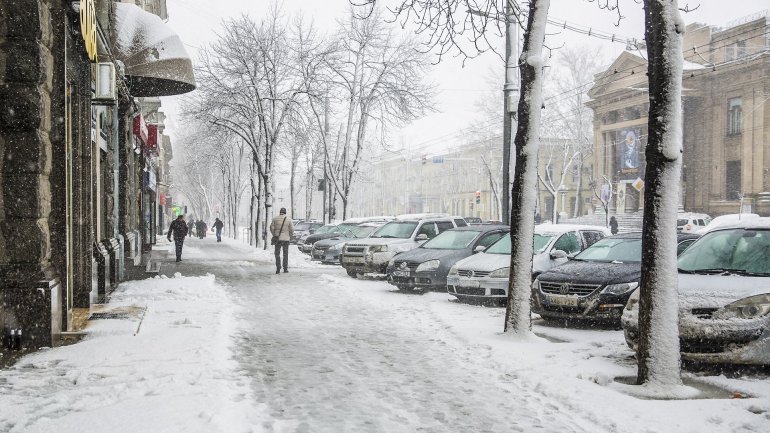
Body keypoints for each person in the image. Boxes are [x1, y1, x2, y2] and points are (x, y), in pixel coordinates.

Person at [270, 207, 295, 274]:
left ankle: (278, 268)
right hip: (286, 239)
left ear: (280, 212)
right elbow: (292, 229)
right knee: (285, 254)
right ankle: (285, 268)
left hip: (278, 239)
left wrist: (275, 234)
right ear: (285, 212)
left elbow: (271, 228)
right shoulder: (289, 219)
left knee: (277, 253)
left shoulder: (275, 219)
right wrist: (290, 235)